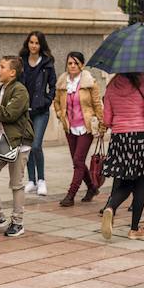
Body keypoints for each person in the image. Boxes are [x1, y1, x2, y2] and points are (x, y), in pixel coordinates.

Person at [100, 73, 144, 241]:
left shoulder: (111, 86)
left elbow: (106, 119)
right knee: (141, 182)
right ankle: (134, 229)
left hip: (120, 138)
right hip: (143, 137)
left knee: (126, 181)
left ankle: (111, 207)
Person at [0, 56, 34, 237]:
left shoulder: (20, 90)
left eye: (1, 67)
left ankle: (18, 222)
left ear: (12, 72)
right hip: (0, 140)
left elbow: (8, 115)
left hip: (19, 142)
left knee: (16, 184)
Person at [53, 51, 105, 206]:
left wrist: (102, 125)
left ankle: (71, 195)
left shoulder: (90, 82)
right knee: (78, 163)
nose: (73, 66)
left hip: (86, 127)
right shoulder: (62, 83)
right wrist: (59, 114)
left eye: (76, 63)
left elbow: (97, 104)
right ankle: (92, 187)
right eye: (70, 63)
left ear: (82, 65)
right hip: (70, 128)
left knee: (78, 160)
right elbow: (56, 102)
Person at [19, 31, 57, 196]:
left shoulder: (47, 63)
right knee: (27, 146)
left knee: (36, 145)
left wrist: (47, 101)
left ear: (41, 45)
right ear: (27, 43)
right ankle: (31, 181)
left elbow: (53, 86)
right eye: (31, 42)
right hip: (25, 111)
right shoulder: (21, 62)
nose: (33, 46)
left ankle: (41, 180)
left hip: (41, 111)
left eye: (36, 43)